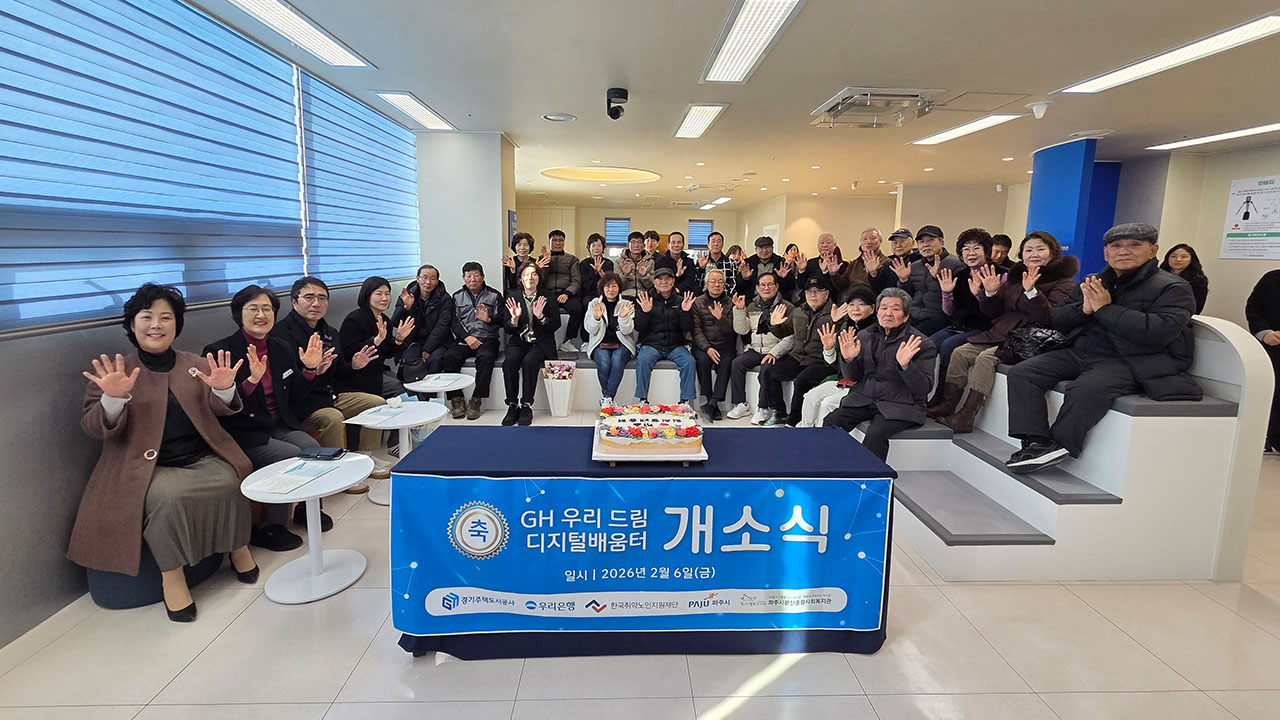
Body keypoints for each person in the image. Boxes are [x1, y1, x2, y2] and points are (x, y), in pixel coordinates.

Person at [71, 283, 257, 622]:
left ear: (176, 324)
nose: (156, 325)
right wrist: (112, 398)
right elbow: (94, 427)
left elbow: (221, 409)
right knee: (169, 498)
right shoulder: (115, 372)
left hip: (201, 457)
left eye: (166, 317)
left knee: (231, 480)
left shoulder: (194, 364)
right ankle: (173, 578)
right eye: (147, 317)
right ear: (132, 324)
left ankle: (238, 549)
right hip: (146, 468)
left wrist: (225, 388)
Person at [1005, 223, 1200, 472]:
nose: (1124, 251)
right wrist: (1084, 310)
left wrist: (1105, 309)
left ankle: (1059, 445)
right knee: (1023, 372)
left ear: (1153, 250)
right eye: (1116, 246)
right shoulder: (1093, 281)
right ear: (1106, 253)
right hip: (1080, 351)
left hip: (1132, 359)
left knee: (1086, 388)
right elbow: (1057, 319)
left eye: (1134, 245)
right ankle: (1037, 442)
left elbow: (1156, 333)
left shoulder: (1173, 287)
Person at [204, 285, 330, 553]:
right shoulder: (221, 351)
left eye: (267, 309)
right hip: (242, 432)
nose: (261, 315)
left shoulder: (281, 347)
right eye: (253, 308)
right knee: (287, 455)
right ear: (239, 314)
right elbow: (218, 407)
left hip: (278, 424)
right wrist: (251, 381)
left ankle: (307, 509)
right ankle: (270, 527)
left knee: (312, 448)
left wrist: (309, 370)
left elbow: (295, 396)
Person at [928, 231, 1078, 432]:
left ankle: (966, 416)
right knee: (960, 353)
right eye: (1029, 250)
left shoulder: (1064, 282)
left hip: (1029, 340)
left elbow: (1051, 318)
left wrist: (1032, 293)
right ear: (1021, 254)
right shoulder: (1015, 276)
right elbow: (994, 312)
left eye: (1040, 249)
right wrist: (989, 293)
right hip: (1001, 333)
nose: (1034, 254)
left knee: (985, 359)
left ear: (1052, 252)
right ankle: (947, 405)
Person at [273, 276, 387, 492]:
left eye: (322, 298)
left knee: (376, 403)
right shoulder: (280, 335)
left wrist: (354, 366)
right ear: (294, 301)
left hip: (329, 394)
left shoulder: (329, 332)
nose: (316, 303)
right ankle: (339, 473)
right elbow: (283, 384)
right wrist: (311, 370)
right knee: (333, 418)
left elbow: (339, 372)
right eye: (309, 298)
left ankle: (365, 457)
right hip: (301, 403)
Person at [823, 288, 937, 461]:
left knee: (876, 434)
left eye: (895, 309)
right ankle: (829, 466)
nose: (888, 313)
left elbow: (923, 387)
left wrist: (906, 366)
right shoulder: (865, 335)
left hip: (902, 404)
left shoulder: (921, 343)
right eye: (884, 308)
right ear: (877, 312)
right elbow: (854, 378)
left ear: (906, 316)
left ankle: (871, 478)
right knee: (832, 421)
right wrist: (849, 360)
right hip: (866, 398)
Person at [797, 286, 878, 427]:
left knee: (827, 403)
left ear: (872, 308)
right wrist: (828, 348)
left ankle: (823, 438)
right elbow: (833, 364)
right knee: (810, 397)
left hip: (862, 385)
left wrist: (853, 358)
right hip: (842, 380)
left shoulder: (876, 331)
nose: (856, 309)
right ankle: (805, 433)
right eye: (851, 305)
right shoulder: (845, 327)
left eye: (861, 304)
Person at [764, 274, 838, 426]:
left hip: (820, 361)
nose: (813, 295)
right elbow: (783, 331)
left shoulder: (835, 313)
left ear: (827, 293)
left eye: (817, 291)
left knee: (802, 380)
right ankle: (779, 412)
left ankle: (793, 422)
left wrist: (837, 321)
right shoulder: (799, 311)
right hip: (798, 358)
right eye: (809, 291)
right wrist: (774, 324)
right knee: (769, 371)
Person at [931, 228, 1005, 375]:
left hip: (986, 328)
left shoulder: (1000, 274)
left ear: (987, 251)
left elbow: (998, 311)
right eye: (966, 249)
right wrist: (946, 293)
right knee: (928, 344)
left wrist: (981, 294)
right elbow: (949, 312)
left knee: (948, 345)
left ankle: (944, 386)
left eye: (976, 248)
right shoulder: (960, 275)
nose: (971, 253)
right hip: (960, 326)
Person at [726, 271, 795, 423]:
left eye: (770, 284)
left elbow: (791, 337)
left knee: (766, 368)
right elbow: (742, 330)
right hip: (756, 349)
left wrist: (775, 353)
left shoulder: (787, 307)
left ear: (776, 286)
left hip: (776, 350)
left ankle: (764, 407)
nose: (766, 288)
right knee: (737, 363)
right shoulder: (752, 306)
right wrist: (740, 310)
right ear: (757, 288)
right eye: (762, 285)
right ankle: (740, 404)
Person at [438, 262, 503, 420]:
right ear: (463, 278)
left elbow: (502, 319)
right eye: (468, 276)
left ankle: (476, 400)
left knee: (486, 358)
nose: (472, 279)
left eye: (476, 275)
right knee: (450, 357)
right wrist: (467, 337)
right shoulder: (456, 296)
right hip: (464, 339)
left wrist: (489, 319)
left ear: (483, 277)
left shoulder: (494, 295)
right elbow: (454, 321)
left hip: (487, 338)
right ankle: (456, 400)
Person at [338, 276, 414, 401]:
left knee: (410, 384)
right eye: (379, 294)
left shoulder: (385, 320)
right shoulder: (354, 319)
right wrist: (376, 340)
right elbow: (350, 352)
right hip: (357, 375)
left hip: (377, 371)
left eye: (387, 293)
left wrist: (398, 339)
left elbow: (387, 353)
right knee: (401, 389)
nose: (384, 298)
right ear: (367, 296)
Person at [500, 263, 558, 425]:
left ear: (539, 277)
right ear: (520, 278)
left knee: (530, 361)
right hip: (519, 341)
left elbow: (555, 325)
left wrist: (541, 317)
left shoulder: (548, 297)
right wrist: (514, 319)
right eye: (526, 274)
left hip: (540, 343)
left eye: (534, 274)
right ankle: (512, 404)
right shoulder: (512, 297)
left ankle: (526, 404)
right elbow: (507, 329)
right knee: (509, 362)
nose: (530, 278)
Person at [633, 267, 697, 404]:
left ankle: (685, 401)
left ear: (673, 281)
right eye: (660, 279)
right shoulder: (646, 300)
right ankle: (642, 399)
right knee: (643, 360)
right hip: (651, 345)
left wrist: (686, 312)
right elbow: (639, 327)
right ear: (654, 282)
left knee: (689, 362)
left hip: (675, 345)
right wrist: (645, 312)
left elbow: (687, 328)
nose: (664, 282)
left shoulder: (681, 301)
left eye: (668, 279)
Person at [885, 225, 964, 335]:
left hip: (939, 318)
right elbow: (906, 296)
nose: (926, 245)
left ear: (942, 243)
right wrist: (904, 280)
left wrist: (938, 277)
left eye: (930, 240)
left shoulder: (956, 264)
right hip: (912, 316)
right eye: (921, 242)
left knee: (908, 337)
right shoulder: (913, 266)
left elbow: (960, 298)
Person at [390, 264, 454, 382]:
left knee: (435, 361)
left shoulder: (444, 298)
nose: (428, 282)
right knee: (410, 362)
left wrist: (427, 349)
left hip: (438, 342)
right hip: (413, 341)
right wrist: (406, 308)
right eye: (424, 277)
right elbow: (394, 322)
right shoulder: (407, 295)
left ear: (437, 282)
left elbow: (442, 326)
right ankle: (412, 392)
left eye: (432, 278)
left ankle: (432, 392)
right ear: (417, 279)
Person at [584, 272, 636, 406]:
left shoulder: (626, 304)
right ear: (602, 288)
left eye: (614, 286)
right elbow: (590, 330)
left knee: (617, 360)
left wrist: (623, 317)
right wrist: (596, 318)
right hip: (600, 343)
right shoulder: (594, 303)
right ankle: (608, 398)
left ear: (619, 288)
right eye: (607, 286)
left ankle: (607, 397)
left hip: (622, 344)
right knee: (604, 361)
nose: (611, 290)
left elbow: (627, 331)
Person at [691, 268, 737, 421]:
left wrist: (720, 318)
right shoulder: (698, 302)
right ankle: (710, 400)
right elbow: (696, 330)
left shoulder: (731, 302)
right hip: (704, 345)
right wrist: (707, 348)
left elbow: (732, 330)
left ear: (724, 284)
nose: (716, 285)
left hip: (725, 344)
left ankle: (713, 403)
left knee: (726, 362)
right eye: (713, 281)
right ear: (706, 284)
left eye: (720, 282)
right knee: (702, 360)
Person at [1245, 269, 1280, 453]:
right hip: (1273, 345)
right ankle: (1269, 437)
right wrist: (1264, 333)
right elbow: (1253, 308)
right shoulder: (1272, 279)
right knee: (1273, 392)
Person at [540, 229, 584, 353]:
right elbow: (539, 280)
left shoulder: (572, 259)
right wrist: (546, 263)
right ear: (549, 242)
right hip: (547, 293)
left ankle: (568, 340)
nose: (557, 243)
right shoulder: (541, 258)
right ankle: (542, 340)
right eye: (554, 240)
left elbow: (576, 281)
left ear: (564, 242)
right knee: (539, 310)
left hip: (565, 292)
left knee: (578, 309)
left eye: (560, 240)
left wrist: (567, 293)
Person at [578, 233, 614, 337]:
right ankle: (586, 338)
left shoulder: (608, 263)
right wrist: (594, 274)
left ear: (603, 248)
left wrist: (600, 272)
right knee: (587, 305)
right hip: (588, 294)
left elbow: (610, 282)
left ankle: (608, 336)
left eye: (599, 245)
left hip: (605, 294)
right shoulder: (583, 264)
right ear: (589, 248)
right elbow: (584, 284)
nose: (596, 248)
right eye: (593, 245)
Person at [866, 227, 922, 293]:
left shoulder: (920, 261)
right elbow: (878, 290)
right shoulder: (888, 263)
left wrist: (904, 280)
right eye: (895, 242)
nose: (898, 245)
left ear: (912, 243)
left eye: (902, 241)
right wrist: (874, 274)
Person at [739, 235, 794, 300]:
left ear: (772, 248)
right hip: (752, 299)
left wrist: (784, 278)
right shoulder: (748, 263)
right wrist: (745, 278)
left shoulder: (781, 263)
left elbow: (791, 286)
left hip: (777, 299)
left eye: (767, 247)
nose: (764, 250)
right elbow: (739, 287)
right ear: (756, 249)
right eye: (761, 247)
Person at [795, 233, 849, 297]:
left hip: (830, 299)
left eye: (828, 242)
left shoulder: (841, 264)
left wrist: (826, 272)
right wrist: (802, 271)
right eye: (822, 243)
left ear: (835, 245)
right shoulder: (810, 263)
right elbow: (801, 286)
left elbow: (841, 288)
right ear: (818, 246)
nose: (825, 245)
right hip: (808, 298)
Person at [1160, 243, 1209, 314]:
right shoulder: (1157, 276)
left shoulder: (1198, 280)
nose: (1178, 259)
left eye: (1184, 257)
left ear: (1191, 260)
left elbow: (1197, 307)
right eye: (1174, 256)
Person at [843, 227, 886, 292]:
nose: (868, 242)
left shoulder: (886, 262)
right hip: (850, 296)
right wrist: (834, 274)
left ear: (880, 241)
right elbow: (843, 285)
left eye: (872, 238)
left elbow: (883, 288)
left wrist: (874, 274)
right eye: (865, 239)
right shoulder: (854, 263)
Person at [655, 230, 698, 295]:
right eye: (673, 242)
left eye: (679, 242)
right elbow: (659, 281)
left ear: (683, 245)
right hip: (664, 295)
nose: (676, 245)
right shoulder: (660, 262)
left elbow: (690, 281)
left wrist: (678, 289)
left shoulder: (689, 262)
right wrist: (677, 275)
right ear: (668, 245)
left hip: (684, 295)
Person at [698, 231, 739, 295]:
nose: (716, 244)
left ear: (722, 244)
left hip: (725, 296)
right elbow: (698, 284)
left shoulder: (730, 262)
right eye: (713, 241)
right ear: (708, 244)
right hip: (705, 296)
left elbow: (733, 284)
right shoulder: (702, 261)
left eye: (719, 241)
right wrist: (701, 269)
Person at [617, 230, 656, 298]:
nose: (636, 245)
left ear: (644, 246)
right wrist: (625, 275)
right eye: (633, 242)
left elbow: (651, 286)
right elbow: (617, 286)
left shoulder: (650, 262)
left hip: (643, 296)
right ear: (627, 245)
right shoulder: (619, 262)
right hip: (624, 296)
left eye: (639, 242)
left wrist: (644, 276)